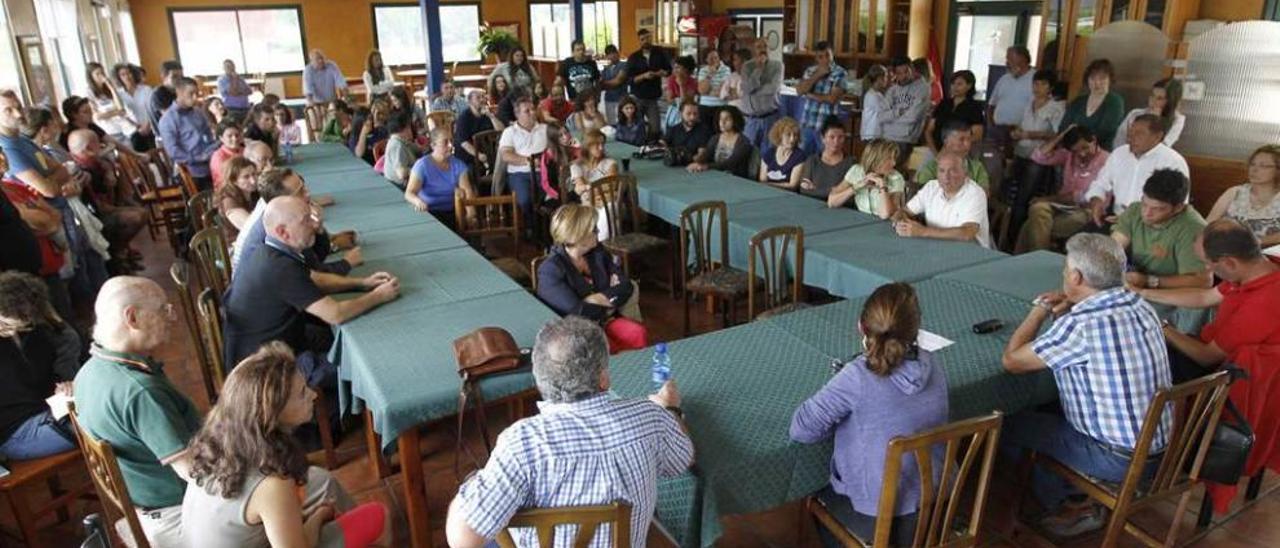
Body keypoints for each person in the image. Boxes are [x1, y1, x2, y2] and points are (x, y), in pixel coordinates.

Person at [444, 316, 692, 547]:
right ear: (604, 378)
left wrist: (475, 481)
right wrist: (669, 410)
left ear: (538, 379)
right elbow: (683, 459)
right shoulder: (649, 417)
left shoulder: (522, 444)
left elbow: (461, 540)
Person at [1000, 233, 1171, 536]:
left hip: (1115, 458)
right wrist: (1070, 305)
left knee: (1009, 424)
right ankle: (1074, 493)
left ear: (1076, 277)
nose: (1064, 274)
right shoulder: (1140, 304)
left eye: (1066, 270)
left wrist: (1038, 310)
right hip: (1160, 448)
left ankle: (1071, 502)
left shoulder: (1081, 325)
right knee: (1047, 412)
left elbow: (1012, 362)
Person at [181, 342, 386, 548]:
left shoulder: (217, 443)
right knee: (377, 516)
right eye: (302, 393)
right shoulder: (272, 483)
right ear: (272, 414)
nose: (314, 395)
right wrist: (318, 517)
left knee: (322, 482)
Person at [791, 282, 947, 546]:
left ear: (862, 328)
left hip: (878, 515)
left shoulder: (857, 377)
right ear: (915, 330)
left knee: (811, 495)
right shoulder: (933, 364)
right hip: (933, 504)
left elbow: (802, 429)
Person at [73, 276, 203, 547]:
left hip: (142, 504)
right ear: (131, 318)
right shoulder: (141, 392)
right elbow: (193, 473)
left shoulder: (87, 372)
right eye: (162, 309)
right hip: (178, 514)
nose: (172, 317)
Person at [222, 196, 398, 388]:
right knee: (368, 369)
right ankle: (344, 414)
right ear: (283, 232)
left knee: (338, 341)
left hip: (274, 345)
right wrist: (379, 296)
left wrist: (361, 283)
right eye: (306, 220)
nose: (315, 224)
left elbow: (316, 282)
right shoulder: (280, 267)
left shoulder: (269, 250)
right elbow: (335, 314)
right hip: (266, 372)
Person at [1143, 219, 1280, 382]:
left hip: (1220, 375)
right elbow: (1204, 297)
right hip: (1205, 347)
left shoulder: (1263, 304)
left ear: (1229, 262)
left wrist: (1160, 326)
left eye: (1206, 263)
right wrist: (1142, 293)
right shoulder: (1254, 267)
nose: (1206, 269)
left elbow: (1207, 357)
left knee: (1142, 359)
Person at [537, 203, 647, 351]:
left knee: (637, 332)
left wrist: (593, 299)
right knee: (606, 348)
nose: (599, 231)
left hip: (603, 322)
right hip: (574, 334)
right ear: (578, 236)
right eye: (594, 229)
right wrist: (608, 303)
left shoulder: (597, 253)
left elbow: (626, 286)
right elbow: (577, 311)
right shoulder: (550, 270)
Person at [0, 271, 81, 461]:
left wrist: (63, 385)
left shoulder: (36, 333)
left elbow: (44, 380)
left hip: (50, 412)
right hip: (15, 433)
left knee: (107, 413)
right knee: (102, 423)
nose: (25, 323)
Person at [1014, 125, 1110, 253]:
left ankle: (1028, 261)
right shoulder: (1069, 155)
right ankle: (1036, 261)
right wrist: (1061, 135)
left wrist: (1047, 198)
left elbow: (1081, 196)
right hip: (1060, 206)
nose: (1081, 154)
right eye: (1076, 151)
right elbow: (1038, 156)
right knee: (1037, 209)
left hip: (1088, 212)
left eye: (1085, 147)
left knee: (1032, 224)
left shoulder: (1107, 160)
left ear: (1093, 139)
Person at [1112, 168, 1210, 292]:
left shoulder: (1194, 229)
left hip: (1170, 296)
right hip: (1134, 285)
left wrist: (1148, 281)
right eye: (1144, 204)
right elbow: (1114, 246)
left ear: (1178, 208)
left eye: (1157, 209)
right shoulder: (1135, 210)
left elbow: (1202, 281)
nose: (1147, 213)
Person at [1084, 114, 1189, 226]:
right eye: (1130, 133)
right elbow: (1100, 184)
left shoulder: (1173, 161)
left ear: (1157, 136)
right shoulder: (1119, 154)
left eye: (1139, 134)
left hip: (1152, 225)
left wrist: (1136, 218)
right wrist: (1096, 201)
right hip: (1116, 218)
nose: (1130, 138)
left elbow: (1179, 203)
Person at [893, 152, 991, 248]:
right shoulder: (931, 187)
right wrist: (900, 221)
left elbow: (967, 233)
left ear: (965, 173)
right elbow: (905, 211)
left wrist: (923, 231)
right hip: (936, 247)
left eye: (952, 171)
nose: (946, 177)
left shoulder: (975, 193)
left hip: (971, 253)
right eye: (941, 170)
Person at [1008, 70, 1068, 217]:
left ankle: (1017, 234)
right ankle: (1007, 233)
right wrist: (1016, 132)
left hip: (1039, 158)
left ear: (1051, 87)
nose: (1038, 87)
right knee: (1012, 194)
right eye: (1035, 83)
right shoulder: (1029, 104)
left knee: (1025, 197)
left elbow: (1057, 135)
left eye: (1043, 84)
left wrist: (1030, 134)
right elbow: (1021, 125)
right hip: (1021, 152)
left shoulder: (1056, 107)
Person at [1205, 144, 1280, 246]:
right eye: (1252, 164)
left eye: (1263, 166)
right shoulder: (1234, 192)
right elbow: (1207, 225)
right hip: (1227, 251)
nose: (1254, 170)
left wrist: (1259, 241)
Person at [158, 78, 220, 190]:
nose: (195, 97)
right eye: (191, 93)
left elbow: (209, 137)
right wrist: (198, 158)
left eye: (197, 93)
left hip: (210, 162)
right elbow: (173, 151)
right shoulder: (168, 119)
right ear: (179, 93)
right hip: (190, 171)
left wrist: (217, 144)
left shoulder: (198, 112)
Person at [406, 127, 475, 228]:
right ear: (433, 145)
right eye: (445, 142)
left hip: (452, 213)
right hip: (428, 213)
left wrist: (471, 214)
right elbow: (409, 193)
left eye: (451, 141)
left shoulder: (459, 165)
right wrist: (418, 202)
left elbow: (467, 191)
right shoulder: (422, 165)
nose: (451, 145)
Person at [498, 96, 549, 220]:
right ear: (517, 114)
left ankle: (547, 228)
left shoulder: (545, 129)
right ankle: (530, 228)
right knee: (525, 200)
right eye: (527, 111)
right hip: (519, 174)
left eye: (533, 109)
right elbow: (506, 155)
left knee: (552, 198)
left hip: (544, 172)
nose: (532, 113)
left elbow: (558, 147)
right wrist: (529, 161)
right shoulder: (509, 132)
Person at [829, 139, 905, 219]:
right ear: (875, 158)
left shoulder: (896, 178)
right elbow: (831, 202)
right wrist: (857, 186)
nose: (894, 163)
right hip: (860, 221)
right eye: (889, 158)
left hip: (884, 225)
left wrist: (882, 186)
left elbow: (886, 214)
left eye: (894, 158)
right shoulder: (856, 170)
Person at [1060, 59, 1126, 150]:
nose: (1097, 83)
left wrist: (1076, 134)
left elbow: (1105, 131)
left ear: (1110, 80)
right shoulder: (1078, 101)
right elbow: (1063, 128)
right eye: (1092, 78)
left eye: (1102, 78)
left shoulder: (1115, 101)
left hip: (1099, 153)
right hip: (1072, 151)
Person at [795, 41, 846, 155]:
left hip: (826, 128)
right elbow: (800, 91)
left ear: (833, 54)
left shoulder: (840, 73)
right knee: (803, 160)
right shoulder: (810, 71)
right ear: (816, 58)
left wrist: (810, 95)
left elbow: (832, 99)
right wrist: (817, 75)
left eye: (828, 55)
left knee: (824, 160)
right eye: (821, 57)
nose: (825, 60)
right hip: (807, 124)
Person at [881, 56, 931, 163]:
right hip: (886, 137)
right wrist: (899, 112)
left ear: (912, 68)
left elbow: (913, 117)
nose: (903, 76)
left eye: (906, 71)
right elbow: (881, 116)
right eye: (899, 73)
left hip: (905, 139)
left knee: (896, 171)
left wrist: (891, 117)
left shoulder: (922, 88)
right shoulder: (892, 89)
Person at [914, 121, 990, 190]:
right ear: (946, 141)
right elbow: (925, 195)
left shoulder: (977, 167)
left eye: (969, 139)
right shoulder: (931, 168)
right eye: (961, 139)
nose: (967, 144)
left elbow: (983, 194)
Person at [1113, 78, 1185, 150]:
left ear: (1170, 101)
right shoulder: (1135, 114)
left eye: (1159, 98)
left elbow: (1161, 147)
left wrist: (1154, 120)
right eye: (1152, 95)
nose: (1153, 100)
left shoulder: (1177, 120)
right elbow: (1118, 141)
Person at [627, 28, 673, 139]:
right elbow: (630, 80)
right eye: (643, 39)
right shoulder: (634, 57)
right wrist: (643, 76)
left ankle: (652, 146)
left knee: (655, 128)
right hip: (638, 96)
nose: (646, 41)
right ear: (639, 41)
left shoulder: (660, 53)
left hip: (653, 97)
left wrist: (661, 73)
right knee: (636, 127)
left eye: (648, 38)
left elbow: (669, 70)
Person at [924, 70, 985, 152]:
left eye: (959, 84)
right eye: (953, 84)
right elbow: (928, 131)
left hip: (959, 151)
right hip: (935, 148)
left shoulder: (974, 107)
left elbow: (977, 135)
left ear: (969, 86)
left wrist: (956, 147)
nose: (955, 87)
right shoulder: (944, 103)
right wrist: (935, 152)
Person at [986, 45, 1035, 147]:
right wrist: (991, 124)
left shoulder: (1036, 79)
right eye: (1007, 59)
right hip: (997, 130)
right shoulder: (1004, 79)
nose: (1007, 63)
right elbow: (992, 104)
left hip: (1020, 132)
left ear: (1023, 59)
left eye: (1011, 59)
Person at [739, 38, 783, 152]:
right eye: (759, 47)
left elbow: (773, 88)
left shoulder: (778, 65)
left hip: (770, 118)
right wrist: (759, 69)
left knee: (769, 154)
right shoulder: (747, 67)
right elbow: (746, 88)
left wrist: (753, 90)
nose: (762, 50)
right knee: (747, 153)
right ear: (753, 50)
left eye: (765, 46)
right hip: (751, 119)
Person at [688, 107, 753, 178]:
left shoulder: (743, 141)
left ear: (735, 121)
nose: (722, 122)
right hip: (715, 175)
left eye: (727, 119)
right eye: (720, 119)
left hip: (735, 179)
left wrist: (706, 166)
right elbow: (707, 155)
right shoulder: (715, 138)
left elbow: (730, 163)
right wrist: (697, 162)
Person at [84, 62, 137, 146]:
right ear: (91, 77)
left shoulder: (108, 89)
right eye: (98, 74)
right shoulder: (89, 92)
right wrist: (115, 112)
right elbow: (97, 116)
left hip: (123, 128)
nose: (101, 76)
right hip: (109, 130)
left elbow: (120, 107)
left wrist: (111, 88)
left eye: (102, 72)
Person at [569, 129, 618, 207]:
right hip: (591, 205)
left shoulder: (610, 163)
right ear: (587, 146)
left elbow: (611, 186)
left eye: (602, 144)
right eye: (597, 144)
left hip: (607, 203)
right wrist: (601, 190)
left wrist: (587, 189)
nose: (601, 148)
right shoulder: (576, 166)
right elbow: (578, 189)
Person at [453, 89, 502, 167]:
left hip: (487, 153)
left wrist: (491, 116)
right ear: (470, 102)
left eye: (483, 97)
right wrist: (478, 155)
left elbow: (500, 131)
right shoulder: (464, 118)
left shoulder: (486, 115)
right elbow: (464, 143)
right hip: (468, 156)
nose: (482, 100)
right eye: (478, 98)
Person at [113, 63, 155, 151]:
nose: (127, 77)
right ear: (119, 78)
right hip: (132, 131)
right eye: (123, 75)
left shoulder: (146, 89)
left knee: (155, 157)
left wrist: (147, 125)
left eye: (129, 73)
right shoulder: (118, 94)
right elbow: (121, 113)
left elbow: (152, 109)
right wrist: (137, 127)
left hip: (150, 128)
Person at [759, 116, 808, 188]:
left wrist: (769, 185)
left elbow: (792, 185)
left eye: (795, 135)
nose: (792, 139)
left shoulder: (799, 156)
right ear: (779, 135)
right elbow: (762, 180)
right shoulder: (769, 153)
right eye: (788, 135)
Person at [662, 100, 713, 168]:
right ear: (681, 114)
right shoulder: (673, 129)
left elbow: (701, 154)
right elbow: (662, 143)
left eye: (695, 114)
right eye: (688, 114)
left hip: (694, 166)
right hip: (672, 165)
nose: (692, 117)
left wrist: (693, 158)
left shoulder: (704, 130)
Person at [216, 156, 258, 234]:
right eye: (246, 177)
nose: (253, 181)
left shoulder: (254, 192)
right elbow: (250, 228)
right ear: (234, 180)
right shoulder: (229, 201)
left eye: (254, 174)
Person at [381, 112, 419, 190]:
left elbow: (417, 149)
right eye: (409, 127)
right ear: (404, 129)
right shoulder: (397, 145)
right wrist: (419, 169)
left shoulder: (401, 141)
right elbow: (401, 173)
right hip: (399, 187)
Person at [696, 48, 731, 127]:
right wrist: (709, 75)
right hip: (705, 106)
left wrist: (710, 91)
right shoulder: (703, 71)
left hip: (721, 105)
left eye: (716, 57)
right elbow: (702, 91)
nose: (714, 60)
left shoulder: (726, 70)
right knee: (705, 132)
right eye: (711, 58)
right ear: (706, 60)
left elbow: (723, 90)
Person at [661, 56, 698, 132]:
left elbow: (686, 102)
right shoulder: (671, 79)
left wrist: (681, 86)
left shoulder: (693, 82)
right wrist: (679, 101)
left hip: (688, 113)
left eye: (678, 68)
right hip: (674, 112)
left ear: (686, 69)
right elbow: (669, 100)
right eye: (674, 67)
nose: (675, 70)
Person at [147, 60, 183, 131]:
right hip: (166, 137)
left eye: (181, 76)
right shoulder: (158, 94)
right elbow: (171, 119)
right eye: (174, 77)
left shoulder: (177, 90)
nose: (179, 80)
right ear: (164, 77)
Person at [209, 120, 243, 189]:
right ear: (221, 138)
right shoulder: (218, 157)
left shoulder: (243, 150)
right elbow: (227, 181)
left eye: (237, 135)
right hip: (227, 191)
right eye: (229, 136)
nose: (235, 139)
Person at [599, 45, 629, 124]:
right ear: (607, 56)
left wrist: (604, 83)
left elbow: (618, 81)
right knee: (611, 123)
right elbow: (600, 84)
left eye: (613, 53)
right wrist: (603, 83)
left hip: (621, 99)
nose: (612, 56)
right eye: (609, 54)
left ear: (617, 53)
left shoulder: (624, 65)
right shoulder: (606, 68)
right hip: (609, 99)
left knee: (622, 122)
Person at [860, 64, 890, 141]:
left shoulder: (878, 94)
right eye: (886, 76)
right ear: (879, 78)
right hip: (872, 135)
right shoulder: (871, 95)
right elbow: (885, 114)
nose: (887, 79)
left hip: (878, 134)